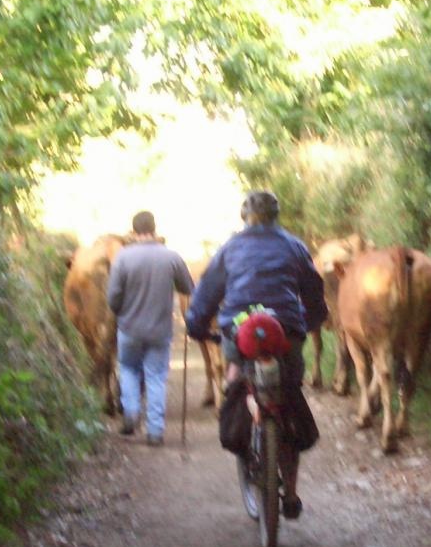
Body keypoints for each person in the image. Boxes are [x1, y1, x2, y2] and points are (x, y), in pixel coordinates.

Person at [185, 191, 327, 517]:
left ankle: (240, 428)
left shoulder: (230, 249)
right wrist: (308, 322)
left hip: (241, 330)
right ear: (276, 217)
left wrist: (196, 327)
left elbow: (206, 294)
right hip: (285, 331)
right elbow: (314, 295)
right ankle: (290, 493)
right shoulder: (294, 246)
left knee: (235, 376)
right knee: (289, 396)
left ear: (244, 218)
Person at [107, 211, 195, 446]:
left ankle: (131, 413)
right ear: (155, 230)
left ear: (133, 232)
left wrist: (122, 309)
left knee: (128, 369)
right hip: (160, 330)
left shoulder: (122, 258)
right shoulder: (171, 257)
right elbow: (188, 288)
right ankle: (155, 431)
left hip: (129, 329)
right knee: (156, 377)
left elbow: (113, 298)